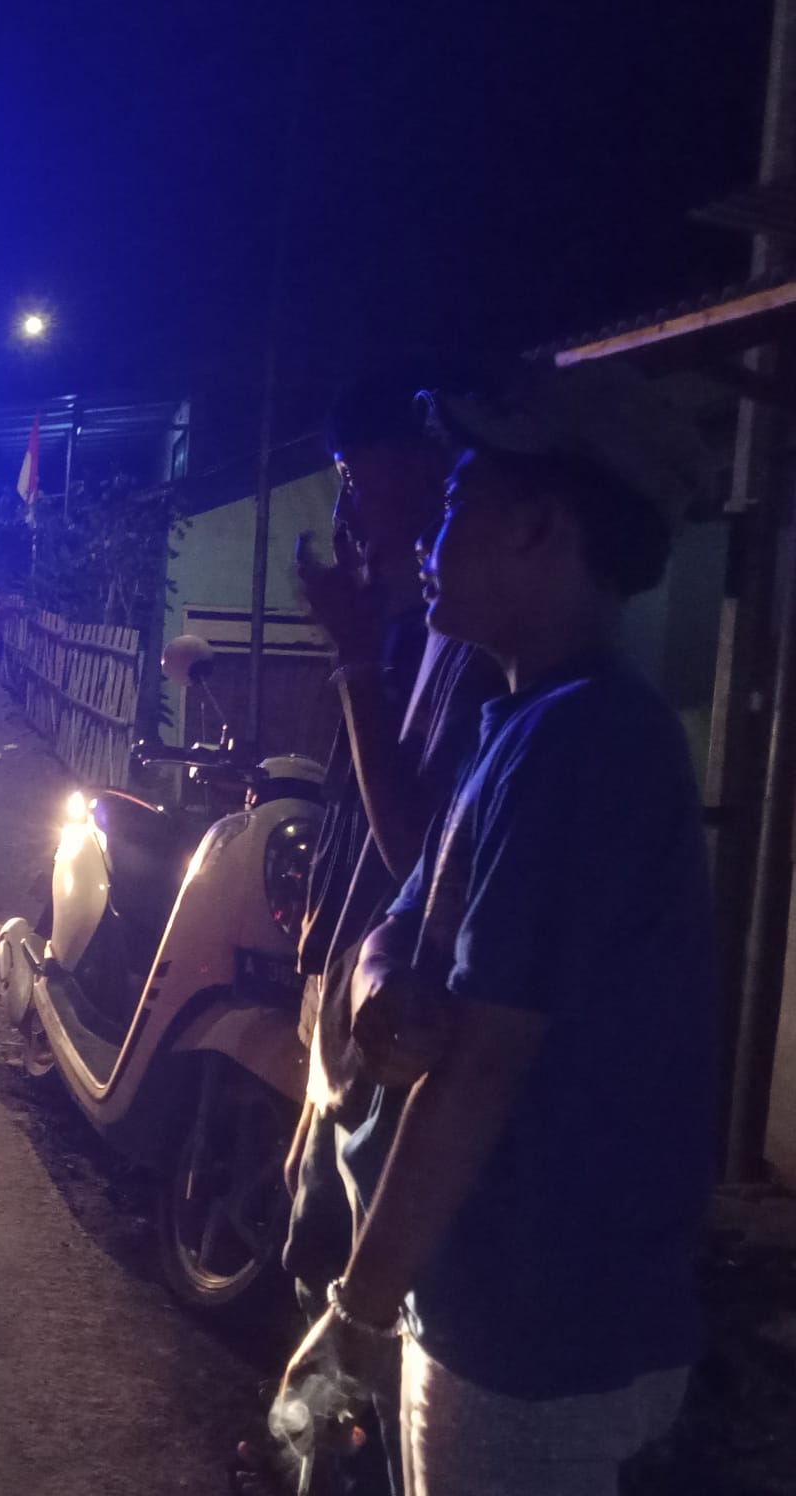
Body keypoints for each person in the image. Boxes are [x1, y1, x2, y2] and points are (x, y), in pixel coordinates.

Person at [282, 367, 715, 1496]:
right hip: (481, 1292)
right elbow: (400, 914)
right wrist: (381, 983)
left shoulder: (588, 744)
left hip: (536, 1330)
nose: (431, 537)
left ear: (539, 529)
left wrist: (355, 1315)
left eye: (459, 500)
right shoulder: (516, 718)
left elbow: (481, 1065)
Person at [256, 374, 501, 1496]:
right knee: (313, 1240)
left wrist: (356, 654)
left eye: (366, 482)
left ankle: (340, 1469)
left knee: (360, 1279)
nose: (349, 512)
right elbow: (360, 821)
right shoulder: (415, 624)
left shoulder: (470, 651)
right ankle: (314, 1459)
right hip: (349, 987)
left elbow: (415, 852)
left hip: (399, 1029)